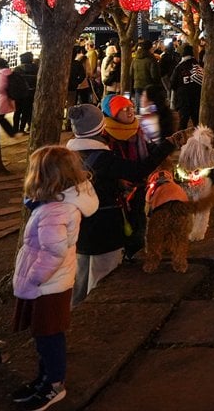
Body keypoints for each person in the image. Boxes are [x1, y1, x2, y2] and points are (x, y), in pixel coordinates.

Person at [10, 145, 98, 411]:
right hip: (52, 283)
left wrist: (34, 277)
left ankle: (53, 385)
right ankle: (45, 378)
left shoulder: (55, 211)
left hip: (47, 285)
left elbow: (54, 251)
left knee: (49, 336)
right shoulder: (59, 203)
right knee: (46, 335)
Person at [65, 103, 173, 304]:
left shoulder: (68, 156)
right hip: (105, 228)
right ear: (100, 125)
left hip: (78, 226)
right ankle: (95, 319)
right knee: (102, 279)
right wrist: (168, 145)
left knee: (80, 278)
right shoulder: (102, 157)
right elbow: (138, 170)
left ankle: (73, 316)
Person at [99, 94, 153, 261]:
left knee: (139, 220)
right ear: (113, 113)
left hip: (140, 184)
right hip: (118, 190)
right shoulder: (105, 135)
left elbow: (148, 155)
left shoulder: (139, 129)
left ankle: (135, 253)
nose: (129, 112)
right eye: (123, 109)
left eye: (130, 108)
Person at [169, 45, 203, 130]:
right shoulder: (198, 66)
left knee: (183, 122)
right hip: (197, 98)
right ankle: (200, 139)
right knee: (197, 122)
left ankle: (181, 141)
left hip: (184, 99)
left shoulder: (179, 67)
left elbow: (172, 83)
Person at [12, 52, 39, 134]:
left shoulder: (17, 69)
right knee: (26, 112)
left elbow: (14, 82)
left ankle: (15, 128)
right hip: (31, 93)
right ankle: (22, 129)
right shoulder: (36, 68)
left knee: (17, 111)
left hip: (19, 93)